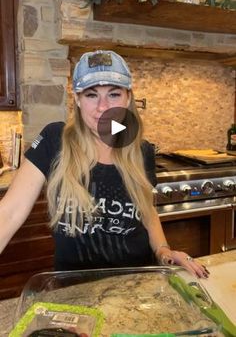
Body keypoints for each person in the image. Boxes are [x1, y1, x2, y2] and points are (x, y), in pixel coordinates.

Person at [0, 50, 208, 278]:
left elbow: (146, 212)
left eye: (113, 94)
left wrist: (163, 251)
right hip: (75, 290)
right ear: (77, 99)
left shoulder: (141, 150)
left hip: (136, 285)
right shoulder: (55, 140)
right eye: (91, 95)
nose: (103, 107)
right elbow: (9, 212)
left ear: (128, 98)